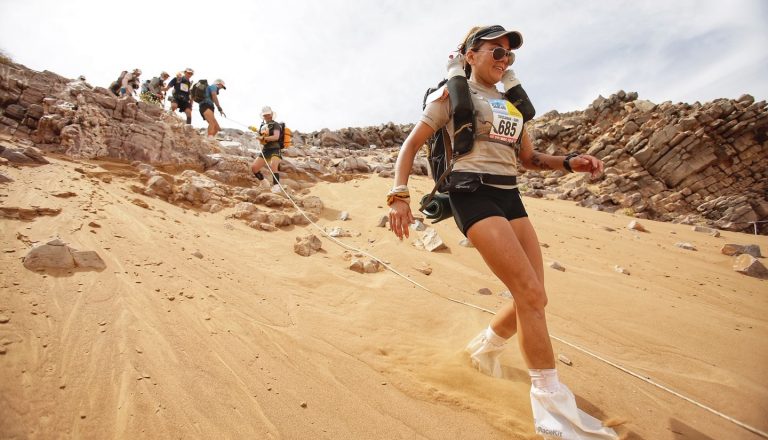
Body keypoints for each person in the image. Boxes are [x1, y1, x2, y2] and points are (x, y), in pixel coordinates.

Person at [387, 25, 617, 440]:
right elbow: (410, 145)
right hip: (472, 196)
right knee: (529, 294)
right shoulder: (449, 98)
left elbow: (528, 159)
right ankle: (553, 415)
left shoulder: (511, 106)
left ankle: (481, 353)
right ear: (470, 55)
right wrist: (398, 194)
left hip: (511, 198)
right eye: (496, 52)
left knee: (535, 296)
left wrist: (569, 162)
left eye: (509, 56)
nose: (503, 61)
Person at [249, 106, 283, 190]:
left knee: (273, 165)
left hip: (275, 149)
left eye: (268, 114)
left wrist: (263, 138)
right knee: (254, 168)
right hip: (266, 150)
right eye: (265, 115)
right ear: (263, 116)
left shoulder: (276, 125)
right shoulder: (263, 126)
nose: (267, 116)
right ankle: (264, 183)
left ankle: (276, 186)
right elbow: (262, 134)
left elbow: (276, 137)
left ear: (271, 114)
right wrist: (255, 130)